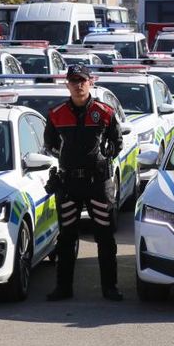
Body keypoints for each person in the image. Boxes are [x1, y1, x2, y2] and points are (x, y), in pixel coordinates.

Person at [44, 64, 125, 301]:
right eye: (73, 81)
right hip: (69, 183)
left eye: (82, 80)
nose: (78, 85)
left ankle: (110, 287)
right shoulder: (56, 113)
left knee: (105, 237)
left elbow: (116, 142)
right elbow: (48, 143)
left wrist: (107, 154)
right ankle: (63, 288)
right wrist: (65, 156)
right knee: (66, 237)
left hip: (98, 183)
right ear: (67, 84)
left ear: (91, 82)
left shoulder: (105, 112)